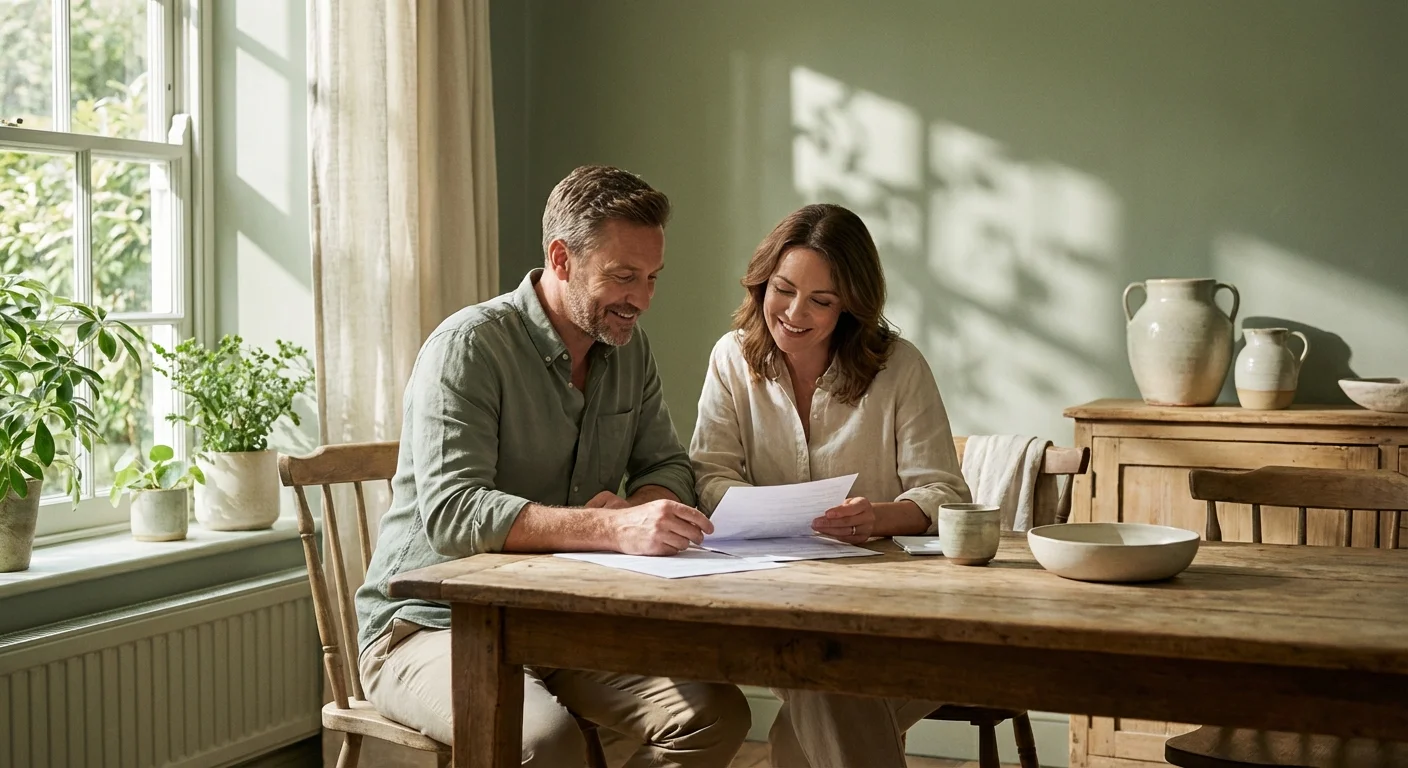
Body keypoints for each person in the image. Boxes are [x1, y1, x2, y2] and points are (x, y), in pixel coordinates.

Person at [356, 165, 751, 767]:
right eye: (623, 277)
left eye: (651, 278)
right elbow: (453, 514)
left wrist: (643, 504)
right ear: (562, 259)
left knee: (714, 717)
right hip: (431, 626)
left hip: (562, 622)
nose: (641, 300)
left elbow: (669, 464)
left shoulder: (627, 348)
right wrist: (611, 529)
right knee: (546, 743)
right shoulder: (469, 348)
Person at [689, 203, 972, 767]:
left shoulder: (898, 367)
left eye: (821, 301)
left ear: (851, 307)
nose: (795, 313)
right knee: (817, 686)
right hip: (775, 598)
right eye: (783, 289)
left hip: (894, 612)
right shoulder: (730, 359)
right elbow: (709, 473)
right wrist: (764, 510)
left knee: (815, 695)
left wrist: (879, 517)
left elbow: (946, 494)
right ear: (762, 282)